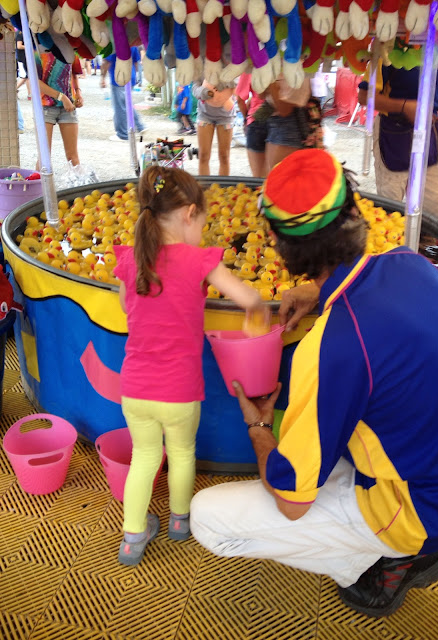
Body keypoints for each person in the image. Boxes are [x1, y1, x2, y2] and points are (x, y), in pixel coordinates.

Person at [190, 148, 438, 618]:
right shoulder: (411, 264)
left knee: (208, 518)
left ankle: (387, 561)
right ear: (354, 211)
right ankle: (401, 546)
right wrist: (319, 291)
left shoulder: (330, 346)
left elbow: (292, 502)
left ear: (281, 247)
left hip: (419, 509)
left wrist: (258, 427)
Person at [112, 166, 267, 566]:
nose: (202, 231)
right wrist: (257, 312)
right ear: (189, 214)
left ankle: (132, 537)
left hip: (135, 389)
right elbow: (247, 298)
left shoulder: (131, 260)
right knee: (182, 453)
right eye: (203, 223)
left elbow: (125, 305)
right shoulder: (200, 261)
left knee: (145, 458)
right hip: (179, 390)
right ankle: (179, 522)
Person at [358, 60, 438, 216]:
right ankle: (393, 231)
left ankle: (422, 233)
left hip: (427, 132)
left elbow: (437, 79)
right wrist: (404, 106)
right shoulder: (386, 54)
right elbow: (364, 96)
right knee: (391, 200)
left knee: (434, 204)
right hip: (394, 132)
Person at [35, 48, 84, 167]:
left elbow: (73, 73)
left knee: (73, 157)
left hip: (68, 107)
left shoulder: (71, 49)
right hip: (45, 106)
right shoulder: (38, 50)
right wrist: (61, 97)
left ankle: (78, 179)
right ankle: (39, 180)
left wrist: (78, 92)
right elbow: (35, 82)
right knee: (44, 157)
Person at [262, 75, 313, 173]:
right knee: (271, 174)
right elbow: (261, 96)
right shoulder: (279, 72)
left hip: (288, 125)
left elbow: (284, 110)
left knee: (278, 174)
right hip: (274, 122)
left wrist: (271, 83)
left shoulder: (295, 75)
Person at [100, 47, 147, 142]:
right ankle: (140, 126)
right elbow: (136, 62)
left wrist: (103, 78)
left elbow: (106, 62)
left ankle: (123, 134)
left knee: (120, 107)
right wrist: (134, 75)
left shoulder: (112, 43)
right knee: (127, 104)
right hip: (130, 76)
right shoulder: (133, 44)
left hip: (118, 78)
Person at [192, 80, 235, 175]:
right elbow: (195, 87)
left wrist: (224, 83)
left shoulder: (231, 70)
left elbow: (238, 83)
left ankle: (222, 184)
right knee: (203, 155)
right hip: (205, 114)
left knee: (224, 156)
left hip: (226, 115)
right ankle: (204, 184)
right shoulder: (202, 70)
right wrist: (204, 92)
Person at [235, 72, 267, 178]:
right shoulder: (283, 65)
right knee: (278, 177)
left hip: (256, 120)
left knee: (258, 179)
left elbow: (240, 99)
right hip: (281, 121)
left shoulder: (250, 67)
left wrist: (246, 118)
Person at [16, 31, 31, 100]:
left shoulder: (21, 33)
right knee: (25, 77)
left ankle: (30, 94)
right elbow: (19, 46)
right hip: (22, 58)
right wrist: (29, 47)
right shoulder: (20, 34)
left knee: (27, 77)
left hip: (24, 58)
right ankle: (14, 90)